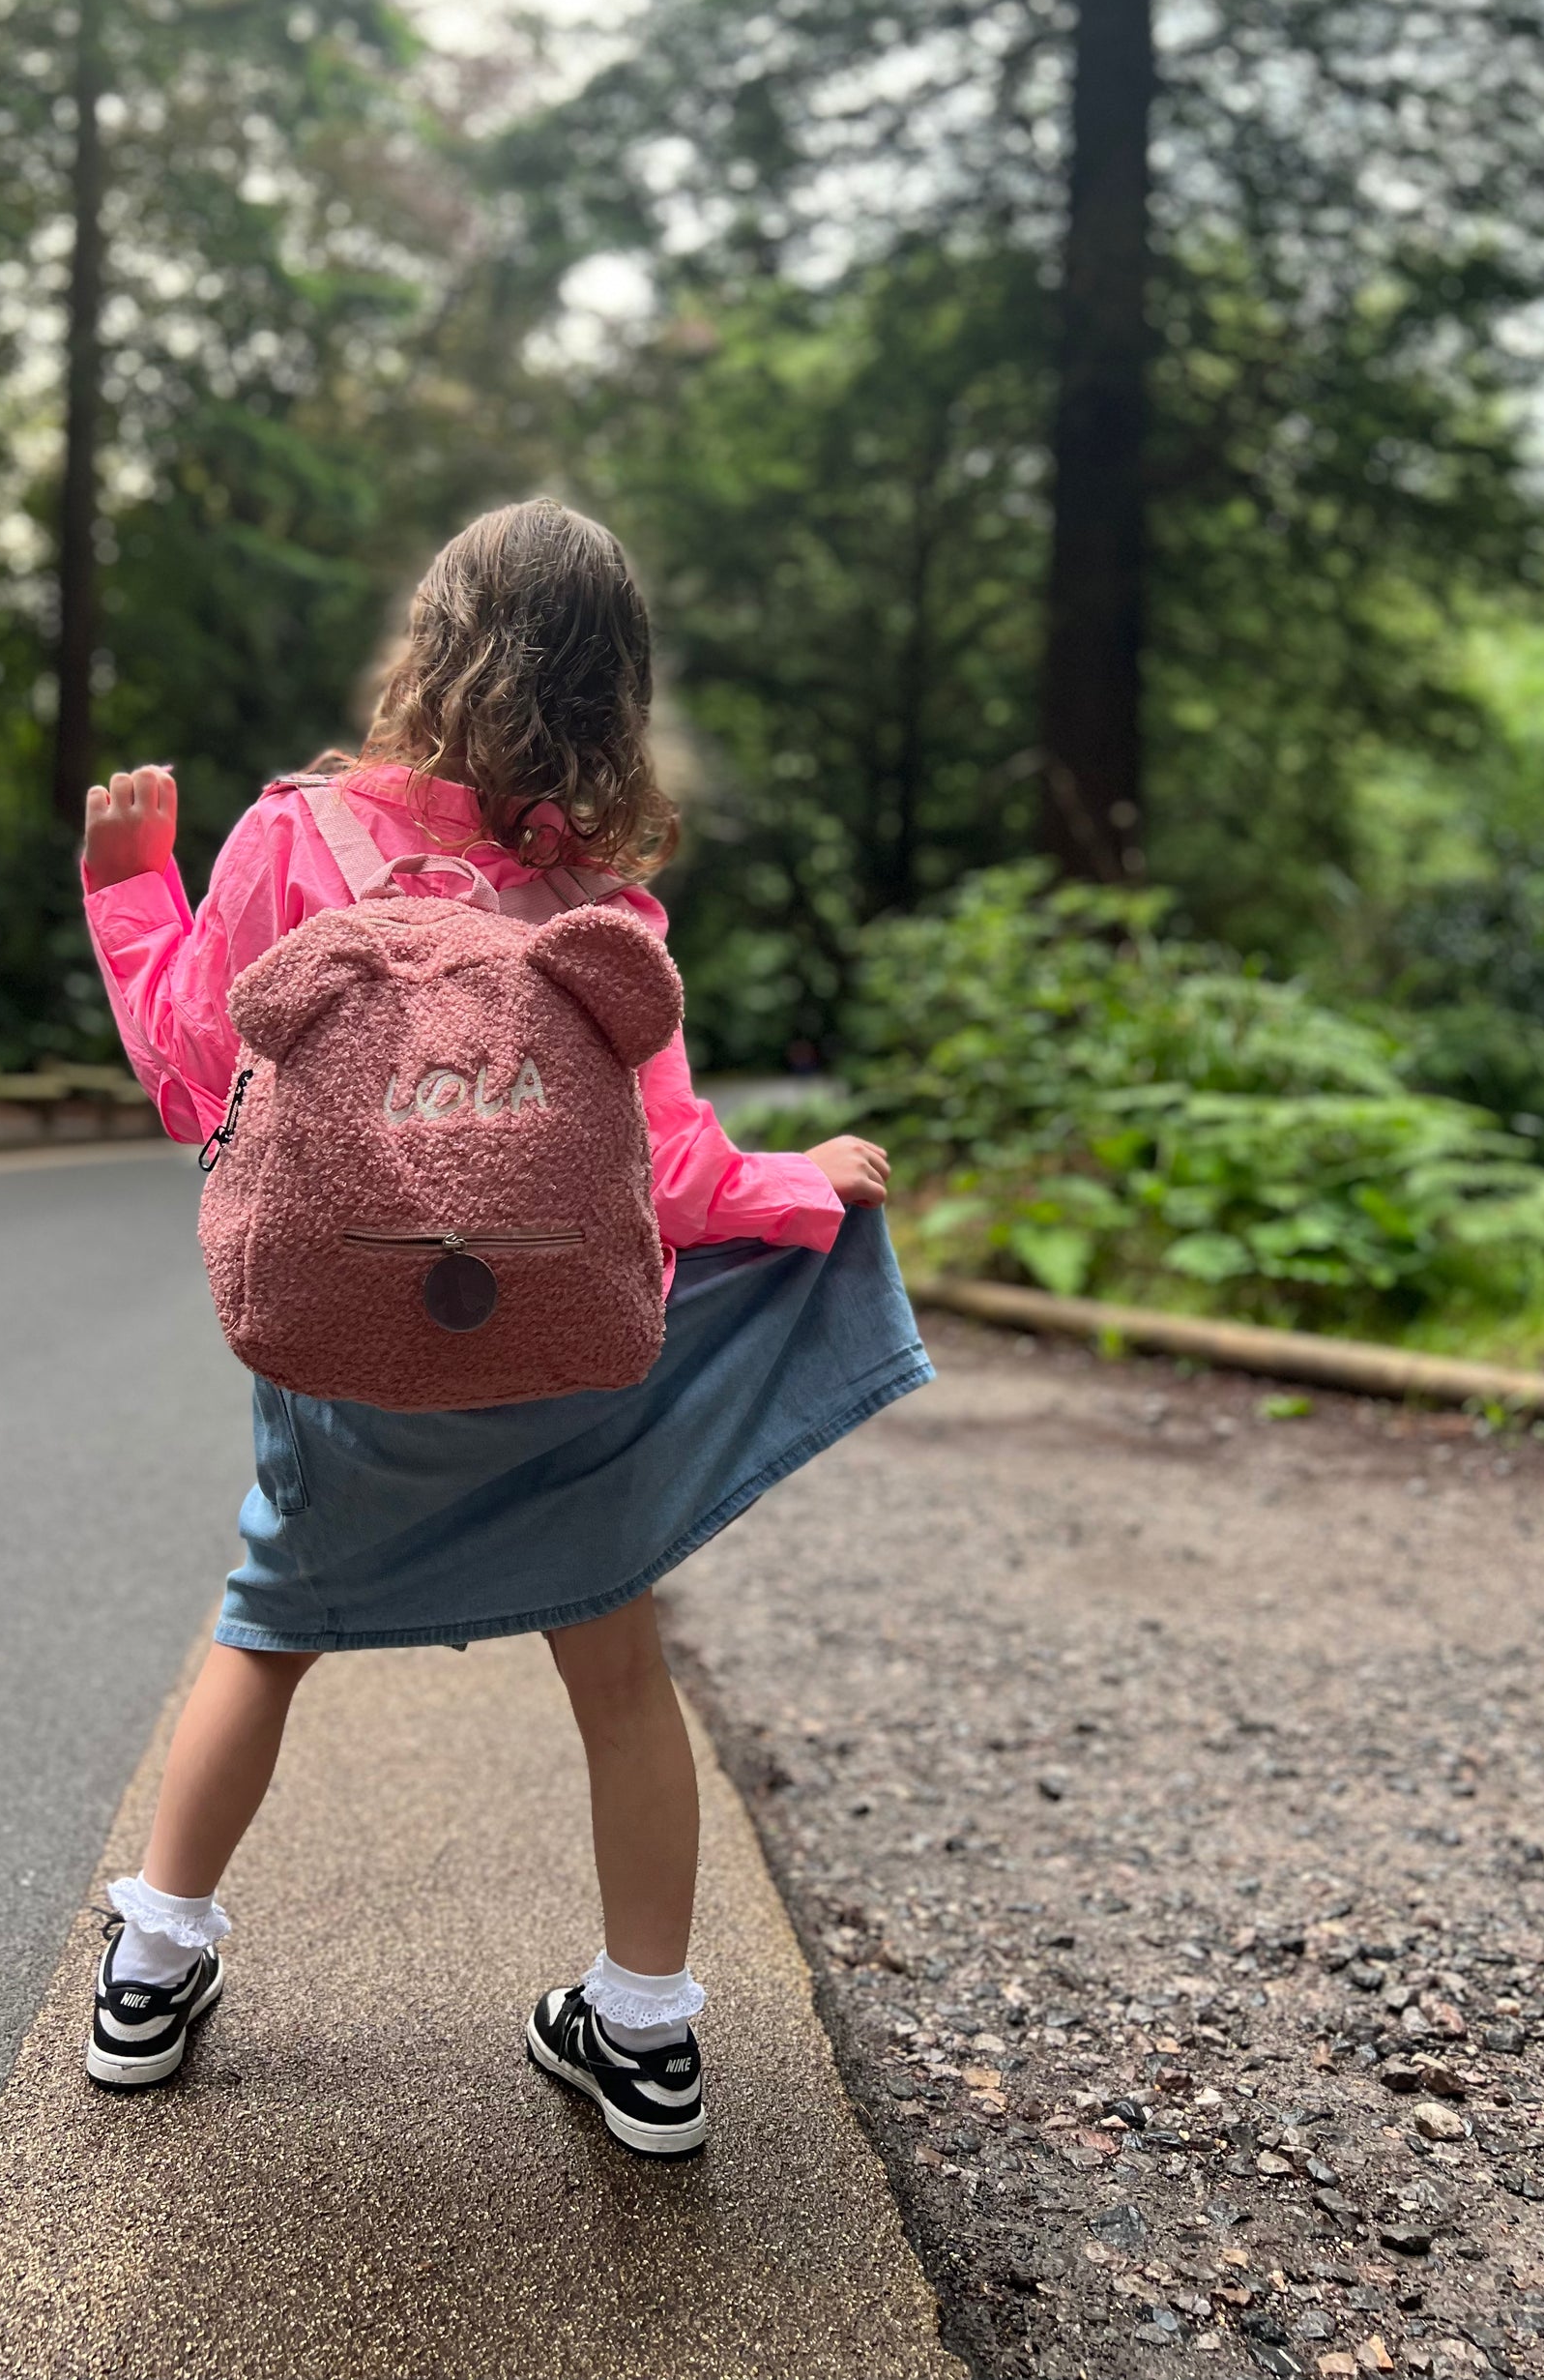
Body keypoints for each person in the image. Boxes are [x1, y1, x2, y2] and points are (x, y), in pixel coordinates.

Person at [78, 496, 932, 2156]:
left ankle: (151, 1975)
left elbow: (197, 1079)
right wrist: (801, 1186)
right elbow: (665, 1175)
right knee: (619, 1670)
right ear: (616, 692)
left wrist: (131, 890)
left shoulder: (290, 841)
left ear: (431, 639)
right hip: (562, 1363)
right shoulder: (599, 904)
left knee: (266, 1631)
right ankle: (643, 2039)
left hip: (344, 1352)